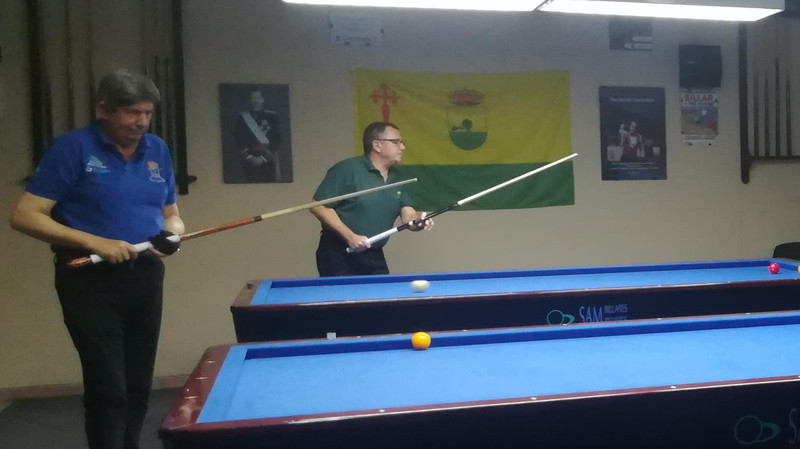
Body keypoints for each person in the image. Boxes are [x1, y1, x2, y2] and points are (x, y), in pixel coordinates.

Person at [9, 69, 185, 449]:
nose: (141, 122)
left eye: (147, 113)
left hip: (145, 274)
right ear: (103, 110)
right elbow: (25, 215)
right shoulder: (72, 148)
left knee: (138, 384)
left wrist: (173, 235)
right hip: (88, 277)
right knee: (109, 386)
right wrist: (97, 242)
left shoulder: (157, 149)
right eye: (131, 113)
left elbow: (172, 213)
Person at [310, 122, 432, 277]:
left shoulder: (399, 177)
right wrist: (350, 236)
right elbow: (318, 206)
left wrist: (418, 221)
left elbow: (408, 214)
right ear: (377, 145)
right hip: (339, 253)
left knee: (381, 292)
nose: (402, 147)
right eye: (396, 142)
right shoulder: (347, 169)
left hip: (373, 253)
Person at [235, 89, 282, 182]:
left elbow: (276, 138)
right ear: (250, 100)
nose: (255, 101)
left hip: (267, 159)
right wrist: (250, 157)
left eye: (258, 98)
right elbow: (239, 138)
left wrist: (263, 158)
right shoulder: (242, 118)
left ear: (262, 99)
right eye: (253, 98)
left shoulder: (272, 117)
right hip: (249, 160)